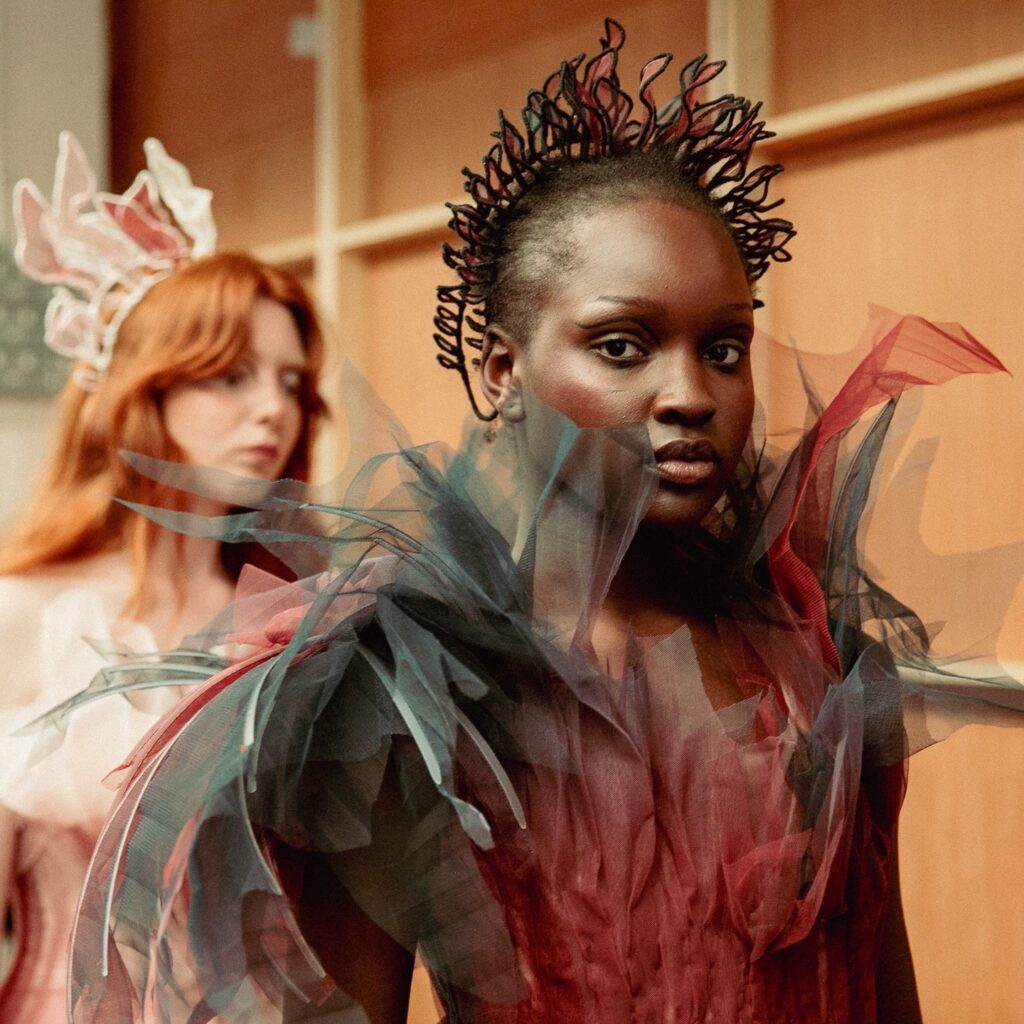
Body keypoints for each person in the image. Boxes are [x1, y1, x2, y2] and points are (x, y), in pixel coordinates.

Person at [60, 22, 1024, 1024]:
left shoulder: (810, 654)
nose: (688, 392)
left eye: (725, 348)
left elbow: (882, 994)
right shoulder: (400, 695)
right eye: (622, 344)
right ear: (502, 369)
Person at [0, 133, 326, 1022]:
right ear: (143, 389)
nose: (272, 408)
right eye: (229, 376)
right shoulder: (20, 614)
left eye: (292, 382)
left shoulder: (295, 619)